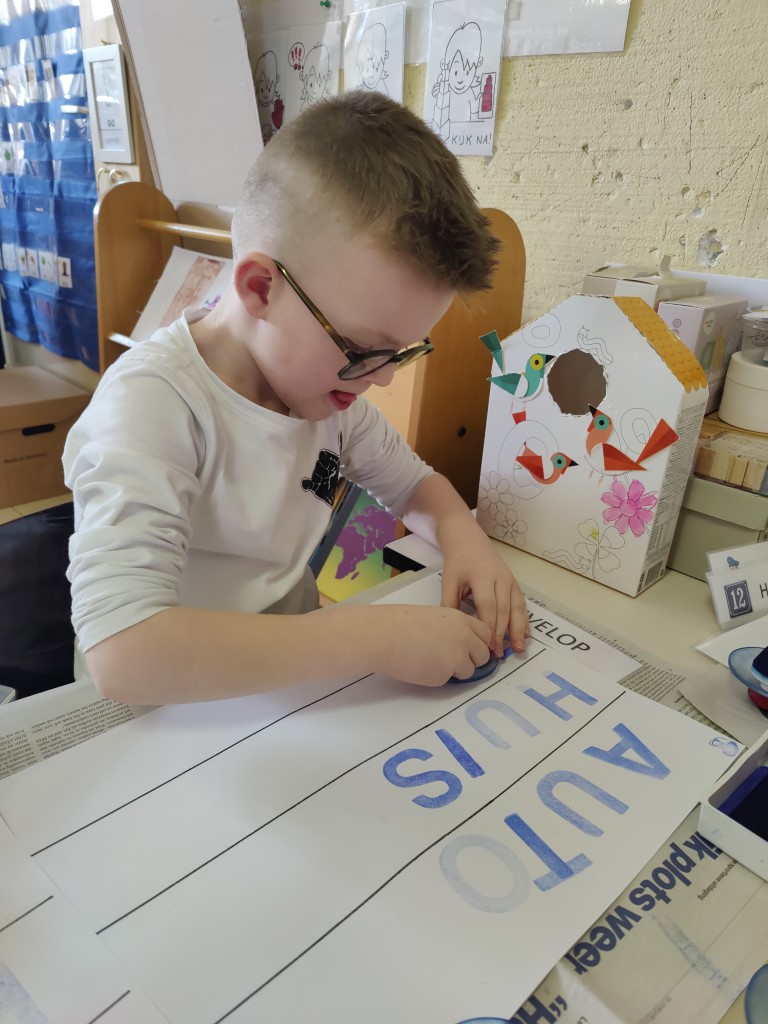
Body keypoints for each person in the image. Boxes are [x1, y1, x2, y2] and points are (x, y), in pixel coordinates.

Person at [63, 90, 528, 707]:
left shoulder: (332, 404)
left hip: (289, 695)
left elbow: (418, 486)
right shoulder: (153, 406)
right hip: (166, 715)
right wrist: (372, 638)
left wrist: (467, 542)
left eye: (400, 353)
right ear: (260, 287)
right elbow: (124, 653)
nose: (382, 380)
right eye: (360, 348)